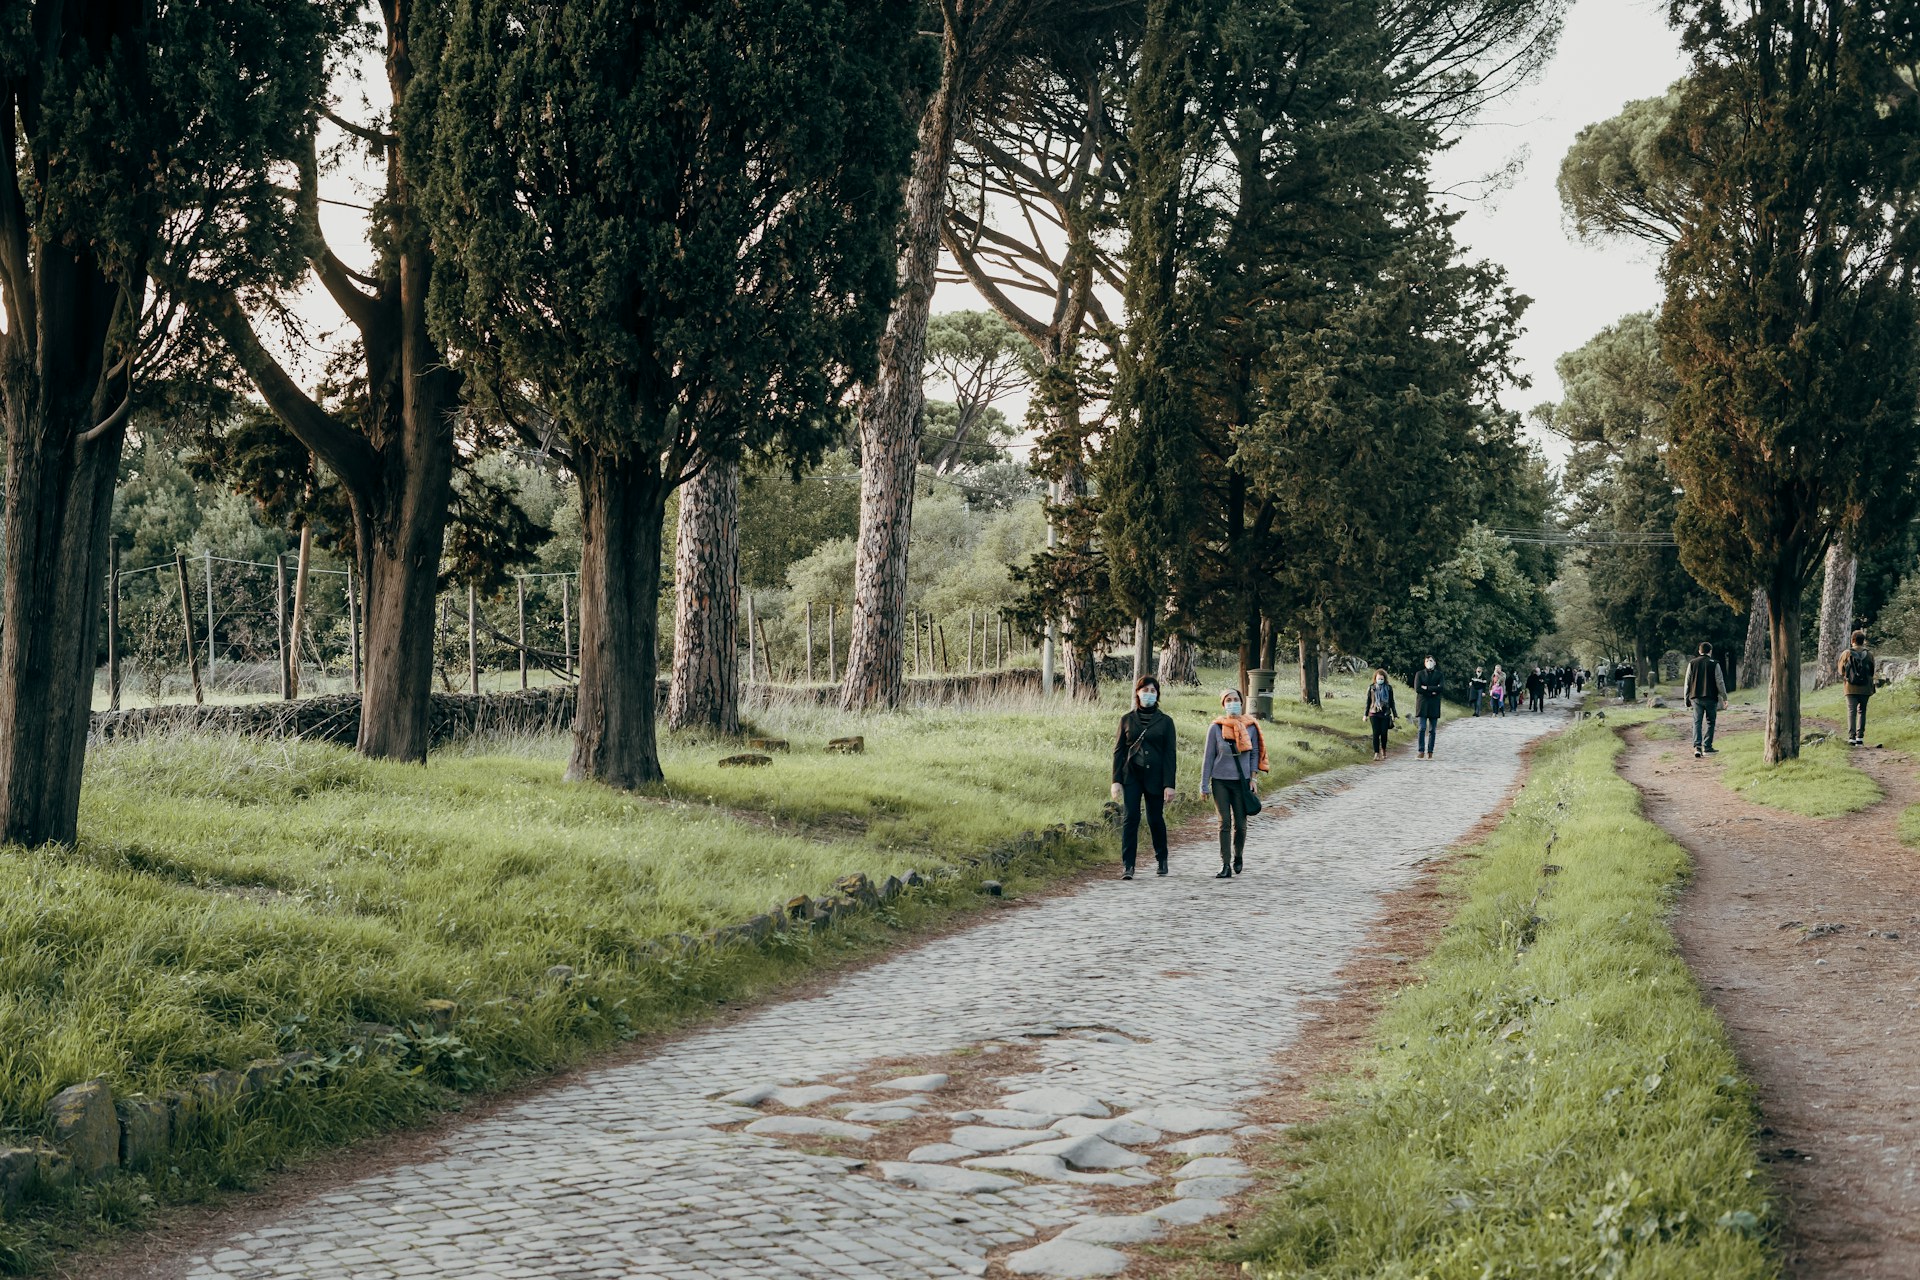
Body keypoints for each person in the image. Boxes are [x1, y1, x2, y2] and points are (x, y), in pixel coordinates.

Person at [1111, 675, 1178, 880]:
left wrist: (1169, 785)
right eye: (1145, 690)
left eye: (1152, 691)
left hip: (1156, 777)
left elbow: (1170, 755)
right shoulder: (1126, 719)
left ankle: (1162, 859)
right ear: (1137, 693)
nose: (1148, 694)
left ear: (1157, 695)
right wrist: (1115, 781)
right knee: (1131, 818)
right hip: (1132, 776)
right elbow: (1119, 751)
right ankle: (1128, 865)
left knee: (1155, 819)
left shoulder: (1166, 722)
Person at [1200, 689, 1267, 878]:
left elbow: (1254, 754)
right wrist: (1204, 785)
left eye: (1236, 699)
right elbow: (1208, 758)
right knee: (1224, 823)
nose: (1232, 703)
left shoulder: (1251, 726)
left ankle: (1238, 855)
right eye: (1228, 700)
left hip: (1242, 781)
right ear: (1223, 704)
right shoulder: (1215, 728)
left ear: (1241, 702)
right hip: (1220, 781)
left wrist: (1253, 778)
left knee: (1241, 823)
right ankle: (1225, 864)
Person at [1683, 641, 1727, 758]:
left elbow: (1687, 682)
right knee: (1710, 722)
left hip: (1696, 697)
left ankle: (1697, 747)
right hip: (1711, 697)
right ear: (1710, 651)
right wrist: (1724, 697)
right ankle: (1707, 746)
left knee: (1697, 721)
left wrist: (1686, 698)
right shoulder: (1715, 664)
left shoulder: (1692, 663)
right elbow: (1720, 681)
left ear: (1699, 651)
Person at [1840, 629, 1877, 746]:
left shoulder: (1846, 653)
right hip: (1865, 688)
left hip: (1850, 688)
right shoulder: (1869, 654)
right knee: (1862, 711)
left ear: (1852, 640)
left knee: (1851, 711)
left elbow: (1841, 670)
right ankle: (1860, 737)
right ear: (1863, 641)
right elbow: (1872, 671)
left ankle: (1851, 738)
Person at [1364, 669, 1397, 760]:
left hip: (1385, 713)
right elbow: (1368, 702)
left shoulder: (1389, 688)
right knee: (1375, 733)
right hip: (1374, 712)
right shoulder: (1371, 688)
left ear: (1385, 679)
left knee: (1383, 733)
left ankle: (1383, 749)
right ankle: (1376, 753)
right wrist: (1365, 714)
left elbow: (1391, 702)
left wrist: (1395, 714)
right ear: (1375, 678)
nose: (1380, 680)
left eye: (1382, 679)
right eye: (1379, 678)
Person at [1414, 656, 1443, 759]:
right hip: (1422, 704)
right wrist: (1433, 691)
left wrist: (1426, 688)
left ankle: (1430, 751)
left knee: (1432, 730)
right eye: (1427, 661)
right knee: (1422, 728)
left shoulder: (1439, 674)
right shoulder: (1419, 674)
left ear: (1434, 662)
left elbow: (1441, 688)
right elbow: (1417, 688)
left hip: (1434, 704)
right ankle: (1421, 750)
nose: (1429, 662)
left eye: (1430, 661)